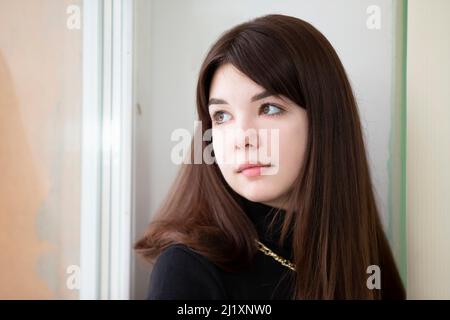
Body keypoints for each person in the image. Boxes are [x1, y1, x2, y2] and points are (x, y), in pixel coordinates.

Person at [134, 14, 406, 300]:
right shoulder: (188, 268)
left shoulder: (364, 258)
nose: (242, 138)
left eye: (269, 109)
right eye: (222, 116)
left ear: (324, 121)